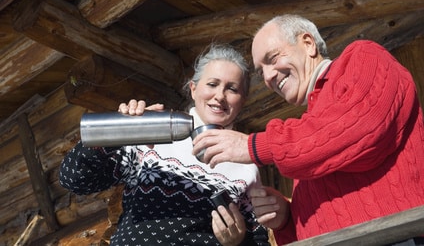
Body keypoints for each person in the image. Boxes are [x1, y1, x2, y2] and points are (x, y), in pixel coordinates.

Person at [192, 14, 424, 245]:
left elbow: (361, 128)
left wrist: (253, 145)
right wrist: (285, 218)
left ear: (308, 43)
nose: (268, 76)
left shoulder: (365, 56)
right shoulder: (310, 132)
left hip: (395, 235)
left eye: (272, 58)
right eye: (261, 71)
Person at [59, 44, 270, 245]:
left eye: (232, 89)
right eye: (212, 84)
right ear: (194, 89)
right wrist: (120, 130)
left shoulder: (246, 165)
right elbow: (74, 180)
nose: (220, 96)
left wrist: (238, 241)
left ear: (242, 100)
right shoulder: (152, 134)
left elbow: (259, 240)